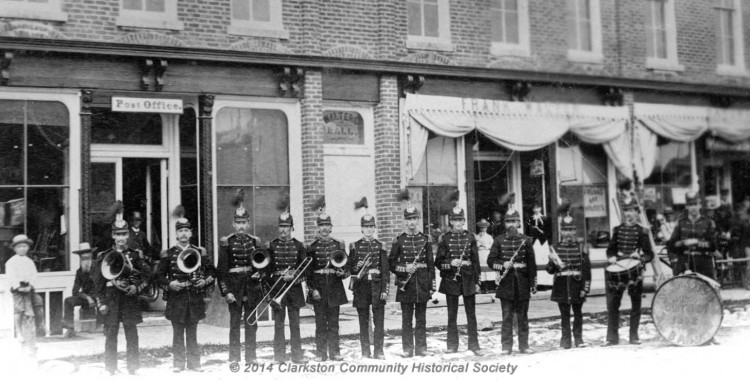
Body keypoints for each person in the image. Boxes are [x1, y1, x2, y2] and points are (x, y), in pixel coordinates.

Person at [93, 217, 152, 375]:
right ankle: (110, 368)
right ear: (113, 235)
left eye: (124, 234)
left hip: (130, 300)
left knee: (132, 334)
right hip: (111, 299)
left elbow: (148, 275)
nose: (121, 238)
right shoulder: (105, 256)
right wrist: (101, 303)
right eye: (117, 234)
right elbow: (98, 284)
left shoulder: (134, 255)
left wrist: (136, 287)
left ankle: (133, 367)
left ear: (128, 235)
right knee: (111, 335)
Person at [156, 216, 215, 372]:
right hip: (176, 297)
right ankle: (178, 363)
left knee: (192, 332)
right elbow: (158, 276)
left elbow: (212, 272)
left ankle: (194, 363)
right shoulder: (168, 254)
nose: (183, 234)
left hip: (194, 296)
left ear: (191, 233)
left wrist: (204, 282)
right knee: (177, 332)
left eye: (186, 230)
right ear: (176, 234)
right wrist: (169, 284)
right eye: (180, 231)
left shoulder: (199, 251)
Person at [216, 204, 266, 365]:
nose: (241, 226)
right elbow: (221, 272)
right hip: (235, 289)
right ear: (233, 224)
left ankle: (251, 357)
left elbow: (262, 265)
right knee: (235, 324)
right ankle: (234, 358)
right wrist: (226, 292)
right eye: (238, 222)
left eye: (244, 222)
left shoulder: (255, 242)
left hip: (251, 288)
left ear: (248, 224)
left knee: (251, 323)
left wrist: (260, 274)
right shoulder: (227, 242)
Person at [487, 209, 537, 355]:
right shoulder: (499, 240)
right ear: (505, 223)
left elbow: (531, 264)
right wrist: (502, 264)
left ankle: (524, 346)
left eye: (514, 221)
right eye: (508, 221)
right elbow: (490, 261)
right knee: (507, 316)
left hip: (522, 283)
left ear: (518, 223)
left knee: (522, 316)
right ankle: (506, 347)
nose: (511, 225)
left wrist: (533, 284)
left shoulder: (526, 241)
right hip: (506, 284)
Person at [605, 197, 653, 346]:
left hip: (635, 271)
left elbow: (649, 254)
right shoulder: (618, 230)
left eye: (631, 210)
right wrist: (612, 257)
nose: (629, 214)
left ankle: (634, 336)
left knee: (636, 304)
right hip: (618, 269)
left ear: (637, 213)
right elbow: (610, 250)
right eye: (626, 210)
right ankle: (612, 338)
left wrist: (640, 257)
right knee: (613, 305)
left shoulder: (642, 231)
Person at [388, 205, 435, 358]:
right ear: (405, 221)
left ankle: (421, 348)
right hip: (405, 284)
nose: (412, 222)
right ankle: (407, 348)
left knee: (421, 319)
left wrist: (431, 284)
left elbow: (430, 264)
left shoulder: (425, 239)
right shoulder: (399, 240)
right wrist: (404, 268)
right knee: (406, 319)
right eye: (409, 219)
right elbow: (391, 263)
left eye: (414, 218)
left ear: (418, 220)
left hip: (422, 283)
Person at [435, 206, 483, 356]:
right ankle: (452, 346)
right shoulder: (445, 238)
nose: (457, 223)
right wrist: (450, 263)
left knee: (471, 314)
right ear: (450, 221)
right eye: (454, 220)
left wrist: (477, 281)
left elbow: (475, 261)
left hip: (468, 277)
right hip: (451, 278)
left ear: (464, 221)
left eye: (460, 220)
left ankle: (474, 346)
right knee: (452, 314)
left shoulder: (470, 238)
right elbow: (438, 262)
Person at [306, 211, 349, 362]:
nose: (324, 228)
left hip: (334, 287)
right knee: (320, 323)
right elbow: (308, 273)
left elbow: (347, 268)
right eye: (321, 225)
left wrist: (342, 273)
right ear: (318, 228)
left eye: (327, 225)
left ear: (331, 227)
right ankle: (321, 353)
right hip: (319, 289)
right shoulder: (311, 247)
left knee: (334, 323)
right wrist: (312, 289)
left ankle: (335, 352)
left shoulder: (338, 245)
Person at [267, 211, 308, 364]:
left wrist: (294, 276)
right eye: (281, 226)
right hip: (278, 287)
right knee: (278, 325)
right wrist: (271, 289)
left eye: (287, 226)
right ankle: (279, 357)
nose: (284, 230)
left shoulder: (299, 245)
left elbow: (305, 269)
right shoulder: (272, 245)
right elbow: (267, 269)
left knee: (295, 324)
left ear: (292, 227)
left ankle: (297, 356)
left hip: (294, 289)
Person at [546, 215, 591, 349]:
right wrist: (553, 262)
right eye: (566, 230)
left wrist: (585, 288)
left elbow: (587, 271)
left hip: (577, 286)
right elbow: (549, 270)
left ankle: (579, 340)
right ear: (561, 232)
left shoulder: (581, 248)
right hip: (562, 286)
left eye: (571, 229)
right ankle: (565, 341)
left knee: (578, 314)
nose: (568, 233)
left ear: (575, 231)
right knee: (564, 316)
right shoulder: (556, 248)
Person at [349, 213, 389, 359]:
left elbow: (385, 271)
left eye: (371, 227)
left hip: (377, 287)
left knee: (379, 322)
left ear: (374, 228)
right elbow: (350, 269)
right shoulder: (355, 246)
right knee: (363, 321)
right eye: (366, 227)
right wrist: (356, 266)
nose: (369, 230)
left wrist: (385, 290)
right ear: (362, 229)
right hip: (361, 287)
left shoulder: (380, 246)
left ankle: (379, 351)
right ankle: (365, 351)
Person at [7, 234, 45, 365]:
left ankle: (40, 326)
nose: (22, 249)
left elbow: (34, 275)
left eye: (24, 246)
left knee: (38, 302)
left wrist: (30, 285)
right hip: (18, 289)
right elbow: (11, 277)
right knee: (20, 309)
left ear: (28, 247)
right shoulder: (11, 262)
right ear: (15, 248)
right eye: (19, 246)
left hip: (28, 288)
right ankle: (19, 331)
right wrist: (18, 287)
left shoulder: (29, 262)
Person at [667, 192, 718, 278]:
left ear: (699, 205)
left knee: (706, 289)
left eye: (695, 204)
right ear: (687, 206)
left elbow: (713, 245)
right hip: (685, 262)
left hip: (704, 262)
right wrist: (683, 242)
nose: (693, 207)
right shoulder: (680, 223)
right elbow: (671, 245)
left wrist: (697, 242)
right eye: (690, 205)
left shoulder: (707, 222)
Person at [62, 242, 97, 338]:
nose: (84, 256)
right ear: (80, 256)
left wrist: (93, 297)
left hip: (100, 296)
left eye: (87, 253)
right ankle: (70, 329)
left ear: (91, 254)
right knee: (68, 300)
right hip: (87, 298)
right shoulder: (79, 271)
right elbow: (75, 291)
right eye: (82, 254)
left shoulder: (98, 266)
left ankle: (106, 327)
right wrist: (87, 297)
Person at [475, 219, 495, 290]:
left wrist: (485, 246)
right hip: (480, 254)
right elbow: (475, 245)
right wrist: (478, 241)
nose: (483, 229)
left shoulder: (489, 237)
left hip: (486, 253)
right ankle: (483, 286)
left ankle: (490, 286)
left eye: (484, 227)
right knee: (481, 271)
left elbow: (492, 245)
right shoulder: (477, 236)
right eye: (482, 227)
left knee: (488, 269)